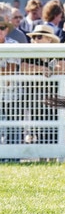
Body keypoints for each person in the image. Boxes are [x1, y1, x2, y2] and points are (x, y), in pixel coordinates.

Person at [22, 25, 65, 144]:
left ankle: (52, 158)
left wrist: (48, 70)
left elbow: (63, 67)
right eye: (34, 37)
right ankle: (42, 158)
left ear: (49, 39)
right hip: (33, 99)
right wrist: (41, 69)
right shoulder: (29, 53)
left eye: (39, 37)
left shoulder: (57, 53)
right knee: (37, 128)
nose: (35, 40)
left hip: (53, 98)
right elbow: (23, 67)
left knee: (53, 127)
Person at [0, 15, 22, 145]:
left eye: (2, 27)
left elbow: (9, 71)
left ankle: (14, 158)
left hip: (11, 95)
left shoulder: (13, 44)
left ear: (6, 30)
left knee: (13, 128)